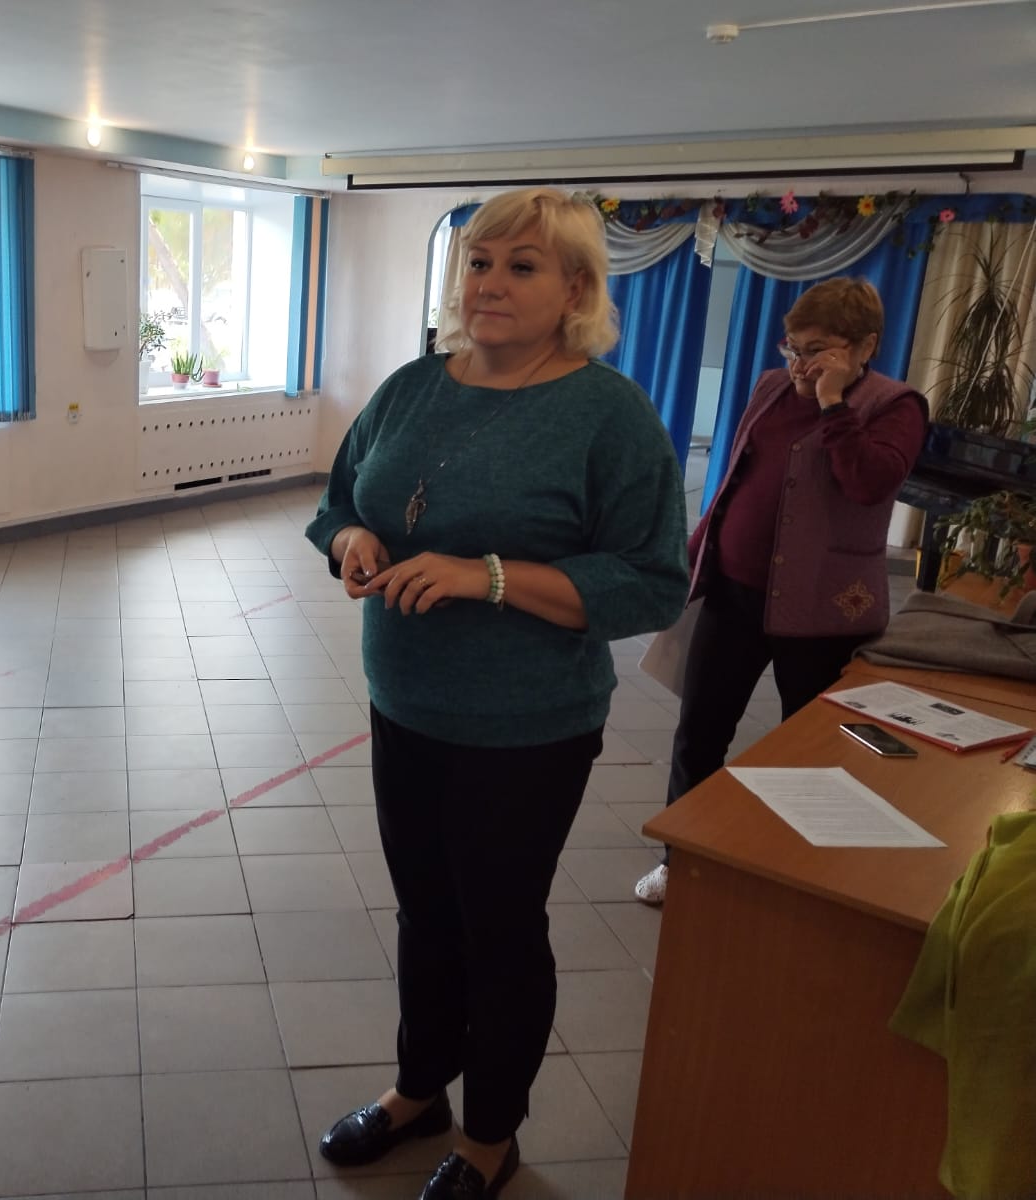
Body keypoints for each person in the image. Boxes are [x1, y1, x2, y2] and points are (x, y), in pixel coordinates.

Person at [304, 187, 688, 1199]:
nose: (490, 283)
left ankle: (489, 1135)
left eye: (522, 266)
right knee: (424, 913)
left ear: (576, 291)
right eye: (479, 261)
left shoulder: (608, 414)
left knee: (499, 928)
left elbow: (653, 581)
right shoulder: (411, 386)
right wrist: (352, 538)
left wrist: (489, 577)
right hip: (404, 703)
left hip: (526, 731)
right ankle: (418, 1089)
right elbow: (337, 502)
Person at [634, 277, 928, 906]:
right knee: (698, 733)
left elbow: (870, 484)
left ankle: (802, 878)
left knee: (814, 749)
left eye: (816, 351)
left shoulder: (895, 405)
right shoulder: (770, 387)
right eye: (791, 347)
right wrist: (694, 557)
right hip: (735, 594)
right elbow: (735, 480)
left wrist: (832, 405)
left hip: (825, 611)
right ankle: (679, 861)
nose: (798, 364)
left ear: (865, 346)